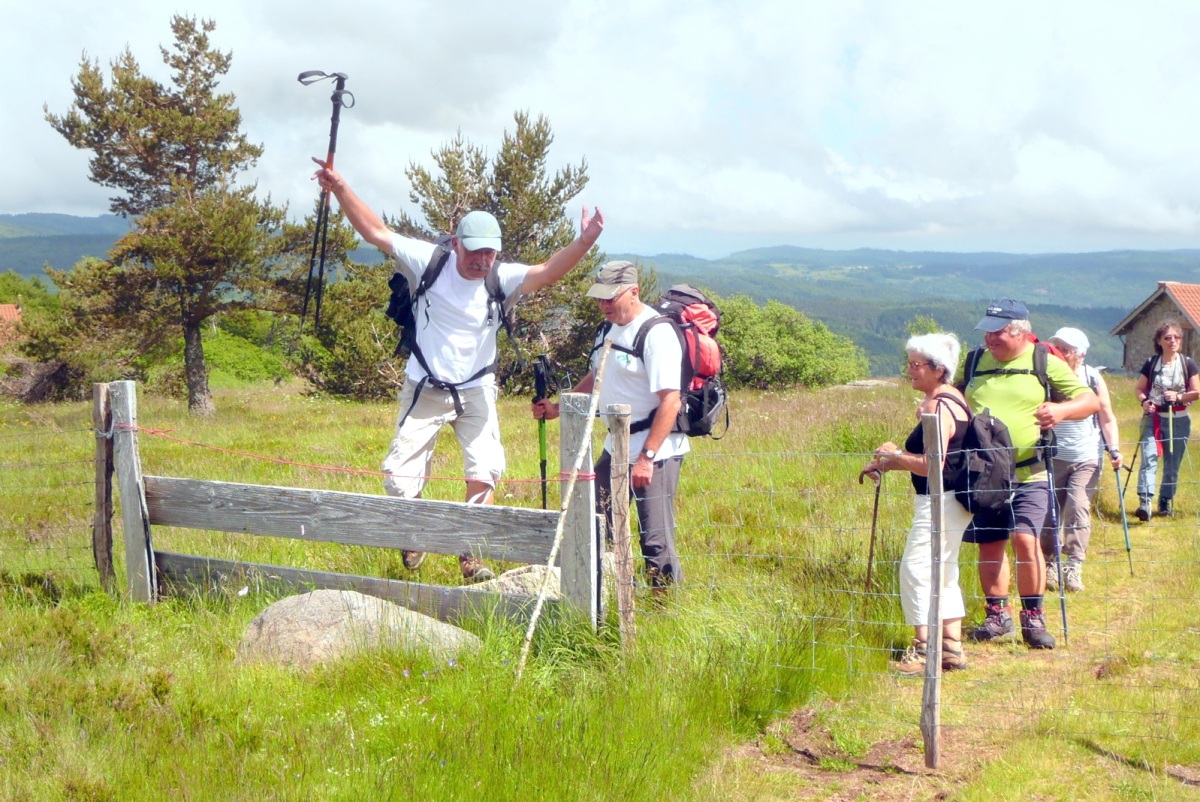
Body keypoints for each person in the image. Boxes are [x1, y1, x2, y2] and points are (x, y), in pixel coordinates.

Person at [312, 159, 604, 582]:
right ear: (455, 243)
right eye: (475, 251)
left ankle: (470, 550)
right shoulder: (429, 261)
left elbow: (547, 272)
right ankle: (414, 533)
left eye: (491, 253)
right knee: (398, 477)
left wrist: (585, 242)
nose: (483, 261)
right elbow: (374, 231)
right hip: (425, 384)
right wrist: (339, 186)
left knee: (485, 469)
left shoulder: (501, 278)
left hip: (477, 387)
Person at [531, 261, 687, 590]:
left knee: (654, 538)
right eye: (599, 298)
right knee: (599, 523)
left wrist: (646, 457)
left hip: (654, 452)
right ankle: (616, 598)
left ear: (634, 291)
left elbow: (671, 401)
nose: (603, 305)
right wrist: (560, 407)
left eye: (610, 298)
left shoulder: (657, 333)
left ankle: (664, 612)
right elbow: (599, 376)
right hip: (615, 445)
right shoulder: (611, 329)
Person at [961, 299, 1098, 650]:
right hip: (986, 474)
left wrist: (1061, 410)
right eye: (987, 330)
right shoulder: (976, 360)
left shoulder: (1043, 361)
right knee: (990, 542)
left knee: (1024, 539)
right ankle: (997, 616)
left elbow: (1089, 401)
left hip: (1031, 471)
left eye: (998, 331)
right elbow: (961, 400)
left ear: (1020, 331)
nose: (990, 338)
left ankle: (1033, 618)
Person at [861, 333, 973, 675]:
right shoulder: (951, 399)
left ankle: (925, 653)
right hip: (954, 499)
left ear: (939, 369)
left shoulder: (939, 405)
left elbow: (932, 464)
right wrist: (887, 462)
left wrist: (895, 455)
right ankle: (950, 647)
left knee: (914, 569)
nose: (909, 370)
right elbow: (938, 460)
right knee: (944, 569)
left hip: (940, 500)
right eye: (908, 362)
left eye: (916, 364)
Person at [1041, 327, 1121, 594]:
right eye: (1058, 347)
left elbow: (1106, 417)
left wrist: (1114, 448)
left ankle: (1074, 565)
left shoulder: (1092, 378)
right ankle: (1050, 562)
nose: (1061, 353)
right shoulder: (1046, 377)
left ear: (1081, 354)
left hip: (1087, 456)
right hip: (1053, 456)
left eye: (1067, 349)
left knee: (1078, 506)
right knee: (1049, 513)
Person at [1133, 320, 1200, 520]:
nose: (1173, 341)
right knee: (1149, 457)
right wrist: (1144, 401)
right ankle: (1145, 502)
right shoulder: (1152, 363)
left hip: (1178, 419)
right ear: (1159, 341)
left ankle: (1165, 500)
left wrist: (1178, 397)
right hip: (1152, 418)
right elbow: (1139, 389)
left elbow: (1196, 392)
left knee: (1172, 462)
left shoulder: (1188, 363)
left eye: (1176, 337)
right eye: (1168, 337)